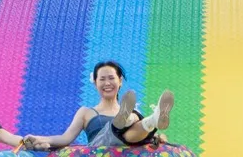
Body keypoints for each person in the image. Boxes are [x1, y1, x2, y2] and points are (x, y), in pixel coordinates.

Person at [23, 61, 174, 152]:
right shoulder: (86, 112)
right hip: (99, 150)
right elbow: (65, 138)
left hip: (126, 148)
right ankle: (125, 122)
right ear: (95, 83)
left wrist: (156, 138)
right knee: (121, 127)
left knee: (133, 124)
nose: (107, 83)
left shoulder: (133, 111)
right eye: (102, 79)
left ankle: (152, 120)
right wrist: (39, 138)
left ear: (120, 81)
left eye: (111, 78)